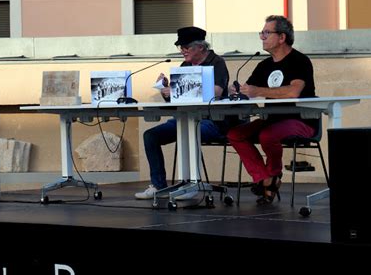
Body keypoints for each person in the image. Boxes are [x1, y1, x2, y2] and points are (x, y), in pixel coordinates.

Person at [135, 26, 235, 200]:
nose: (182, 51)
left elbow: (217, 92)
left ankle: (191, 184)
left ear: (201, 47)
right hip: (184, 120)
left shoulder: (216, 62)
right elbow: (178, 101)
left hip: (212, 122)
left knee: (189, 132)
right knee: (150, 136)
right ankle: (159, 186)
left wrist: (175, 91)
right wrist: (166, 90)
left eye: (186, 47)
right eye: (180, 47)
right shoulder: (185, 65)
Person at [227, 15, 317, 205]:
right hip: (272, 120)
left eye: (267, 32)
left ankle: (272, 176)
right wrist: (237, 91)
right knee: (235, 134)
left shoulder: (299, 61)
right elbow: (249, 91)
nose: (262, 37)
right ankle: (266, 179)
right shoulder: (264, 65)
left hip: (301, 120)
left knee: (267, 135)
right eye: (262, 32)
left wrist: (257, 91)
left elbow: (294, 92)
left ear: (282, 37)